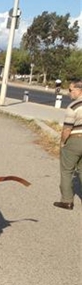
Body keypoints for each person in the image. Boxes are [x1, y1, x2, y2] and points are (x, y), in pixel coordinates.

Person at [54, 80, 82, 210]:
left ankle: (67, 201)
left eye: (70, 90)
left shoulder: (73, 106)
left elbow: (67, 129)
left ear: (78, 90)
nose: (69, 93)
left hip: (75, 140)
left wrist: (63, 142)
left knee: (66, 170)